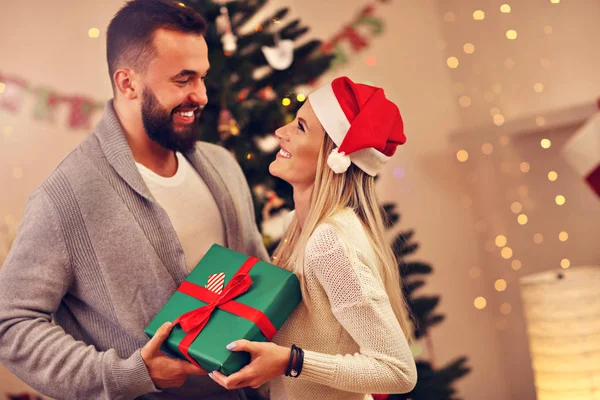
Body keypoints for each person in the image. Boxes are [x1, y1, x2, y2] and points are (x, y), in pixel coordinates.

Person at [0, 1, 267, 399]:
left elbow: (257, 276)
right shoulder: (66, 197)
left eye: (203, 77)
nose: (202, 95)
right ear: (127, 83)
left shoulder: (223, 165)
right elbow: (11, 325)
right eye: (183, 79)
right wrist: (129, 373)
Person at [208, 76, 418, 399]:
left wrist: (292, 362)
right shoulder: (299, 227)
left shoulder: (329, 242)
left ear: (333, 156)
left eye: (301, 128)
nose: (282, 132)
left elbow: (399, 371)